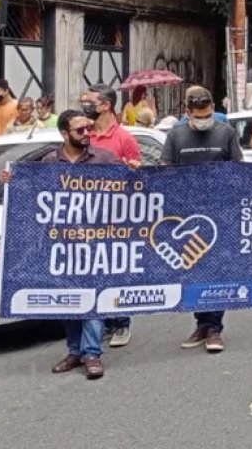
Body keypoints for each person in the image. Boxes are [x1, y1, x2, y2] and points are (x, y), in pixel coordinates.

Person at [31, 110, 121, 380]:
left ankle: (92, 353)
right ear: (64, 134)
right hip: (64, 243)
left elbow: (131, 189)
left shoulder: (104, 159)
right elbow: (35, 193)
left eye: (88, 129)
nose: (87, 134)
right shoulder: (49, 162)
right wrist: (10, 181)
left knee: (93, 296)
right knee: (69, 298)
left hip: (96, 241)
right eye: (80, 130)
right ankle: (75, 351)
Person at [163, 86, 243, 353]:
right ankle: (201, 323)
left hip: (220, 213)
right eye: (199, 115)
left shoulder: (226, 133)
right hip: (186, 215)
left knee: (217, 270)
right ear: (187, 113)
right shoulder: (175, 136)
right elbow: (166, 173)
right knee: (193, 271)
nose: (204, 119)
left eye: (208, 114)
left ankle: (215, 329)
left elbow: (239, 172)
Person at [81, 84, 142, 348]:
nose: (84, 105)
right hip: (86, 218)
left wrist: (132, 172)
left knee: (117, 271)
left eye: (89, 101)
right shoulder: (83, 135)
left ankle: (121, 323)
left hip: (117, 219)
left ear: (105, 105)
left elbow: (138, 178)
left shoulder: (124, 139)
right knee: (92, 271)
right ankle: (101, 321)